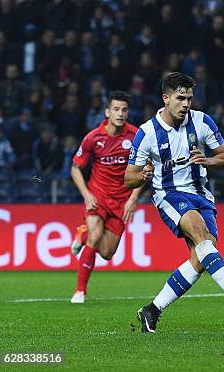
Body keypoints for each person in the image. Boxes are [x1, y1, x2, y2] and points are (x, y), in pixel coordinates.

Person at [124, 72, 224, 333]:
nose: (186, 104)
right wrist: (143, 176)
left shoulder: (202, 122)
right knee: (200, 233)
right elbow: (129, 178)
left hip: (201, 194)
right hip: (169, 194)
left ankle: (152, 310)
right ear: (165, 99)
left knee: (202, 255)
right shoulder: (147, 133)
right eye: (180, 98)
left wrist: (208, 160)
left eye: (189, 98)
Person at [69, 91, 142, 304]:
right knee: (96, 234)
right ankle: (80, 291)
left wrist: (133, 198)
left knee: (107, 253)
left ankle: (81, 235)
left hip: (121, 201)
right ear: (107, 112)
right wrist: (86, 195)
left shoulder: (136, 136)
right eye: (116, 109)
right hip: (98, 196)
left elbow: (147, 169)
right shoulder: (93, 137)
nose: (120, 114)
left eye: (124, 110)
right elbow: (75, 168)